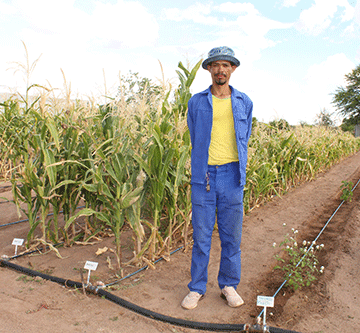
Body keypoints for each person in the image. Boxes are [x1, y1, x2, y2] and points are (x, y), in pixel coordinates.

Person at [181, 46, 253, 310]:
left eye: (226, 65)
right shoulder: (196, 101)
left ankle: (228, 285)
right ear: (209, 69)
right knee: (201, 237)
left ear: (232, 69)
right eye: (216, 65)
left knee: (231, 236)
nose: (221, 70)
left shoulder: (244, 102)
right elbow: (193, 135)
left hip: (232, 175)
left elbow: (245, 138)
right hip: (204, 176)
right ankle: (197, 288)